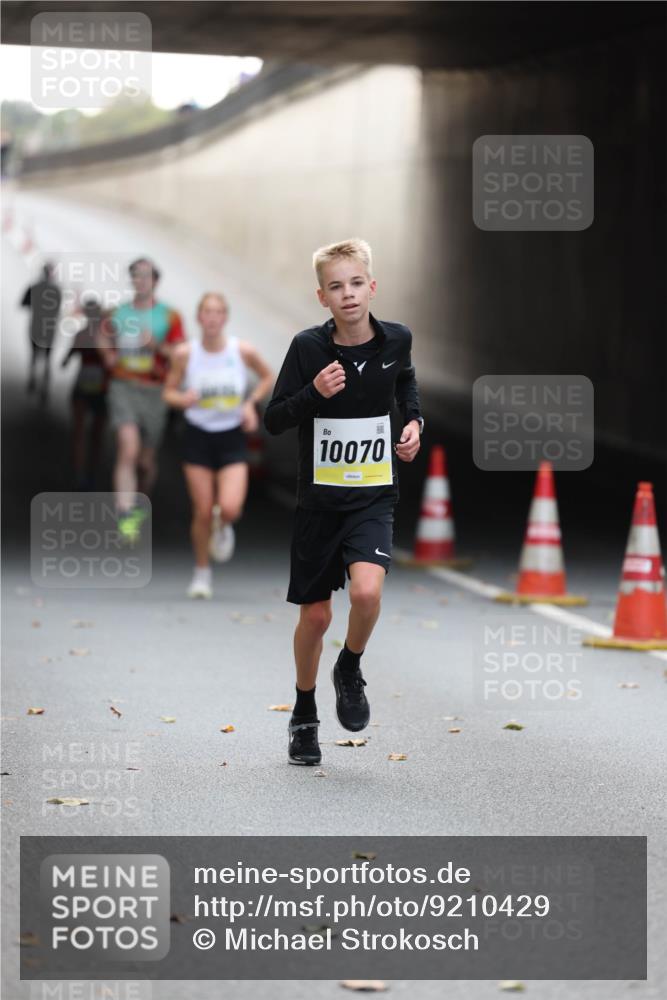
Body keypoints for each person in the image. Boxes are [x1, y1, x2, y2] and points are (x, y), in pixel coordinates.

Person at [264, 238, 424, 766]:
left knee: (368, 593)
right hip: (319, 505)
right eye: (336, 286)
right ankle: (304, 711)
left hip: (373, 496)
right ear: (322, 297)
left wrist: (414, 424)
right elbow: (275, 419)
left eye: (356, 283)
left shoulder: (396, 340)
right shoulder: (308, 349)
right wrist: (315, 393)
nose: (348, 294)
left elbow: (405, 383)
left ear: (372, 287)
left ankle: (349, 667)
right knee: (314, 618)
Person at [163, 292, 273, 598]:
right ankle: (202, 574)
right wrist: (182, 399)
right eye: (206, 313)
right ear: (199, 318)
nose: (212, 318)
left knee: (229, 507)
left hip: (231, 436)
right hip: (198, 435)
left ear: (225, 318)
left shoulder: (241, 351)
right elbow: (168, 392)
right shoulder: (185, 354)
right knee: (201, 510)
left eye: (218, 313)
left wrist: (250, 404)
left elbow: (267, 377)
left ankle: (223, 525)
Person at [98, 258, 185, 543]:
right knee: (128, 448)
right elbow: (101, 335)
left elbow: (181, 355)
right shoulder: (118, 313)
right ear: (132, 280)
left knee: (146, 462)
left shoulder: (169, 316)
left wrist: (156, 346)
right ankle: (124, 514)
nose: (141, 281)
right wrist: (108, 355)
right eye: (136, 276)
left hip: (154, 391)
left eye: (146, 276)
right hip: (123, 386)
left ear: (155, 282)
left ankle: (138, 509)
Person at [60, 297, 109, 489]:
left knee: (80, 433)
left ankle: (80, 472)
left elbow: (66, 360)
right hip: (100, 390)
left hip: (84, 387)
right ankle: (88, 472)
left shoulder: (82, 334)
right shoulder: (106, 336)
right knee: (94, 435)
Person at [21, 262, 62, 403]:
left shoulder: (34, 287)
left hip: (36, 325)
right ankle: (44, 387)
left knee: (34, 355)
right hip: (49, 328)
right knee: (47, 359)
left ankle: (33, 379)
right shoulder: (56, 289)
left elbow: (23, 304)